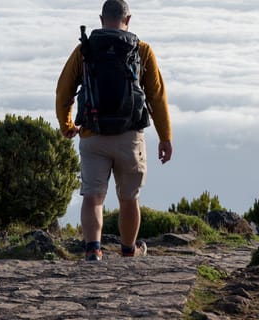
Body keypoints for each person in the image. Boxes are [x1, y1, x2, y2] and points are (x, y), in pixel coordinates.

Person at [55, 0, 172, 261]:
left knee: (93, 196)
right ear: (128, 20)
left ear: (101, 19)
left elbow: (63, 91)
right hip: (130, 137)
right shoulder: (142, 50)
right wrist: (165, 137)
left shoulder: (84, 50)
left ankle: (93, 250)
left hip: (92, 134)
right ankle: (129, 251)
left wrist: (67, 124)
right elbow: (157, 97)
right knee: (129, 198)